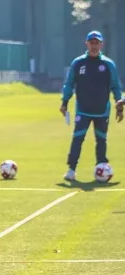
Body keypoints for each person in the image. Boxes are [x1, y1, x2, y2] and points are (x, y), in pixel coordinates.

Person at [60, 31, 123, 181]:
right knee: (77, 139)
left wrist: (119, 105)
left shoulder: (108, 64)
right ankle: (71, 170)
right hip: (83, 109)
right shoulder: (78, 63)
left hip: (102, 111)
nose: (94, 46)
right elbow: (69, 84)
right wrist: (64, 102)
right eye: (91, 42)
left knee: (101, 140)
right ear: (86, 44)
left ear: (101, 44)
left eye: (97, 43)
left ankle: (101, 169)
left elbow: (115, 86)